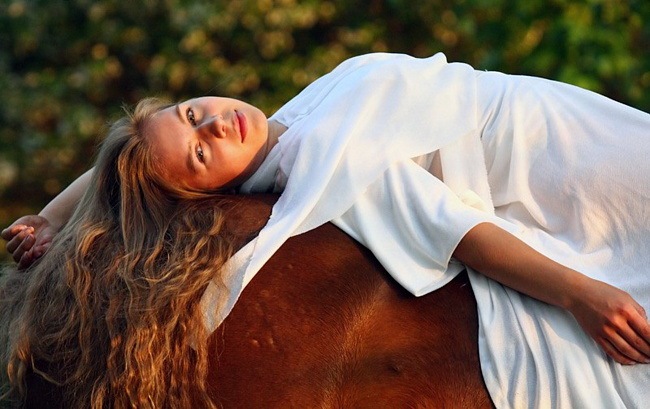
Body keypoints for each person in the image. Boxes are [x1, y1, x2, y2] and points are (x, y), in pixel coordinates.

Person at [2, 52, 649, 408]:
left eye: (193, 112)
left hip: (538, 119)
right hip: (541, 155)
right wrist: (579, 294)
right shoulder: (323, 163)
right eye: (201, 152)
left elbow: (122, 159)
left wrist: (48, 218)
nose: (216, 125)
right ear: (204, 193)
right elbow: (460, 231)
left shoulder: (284, 125)